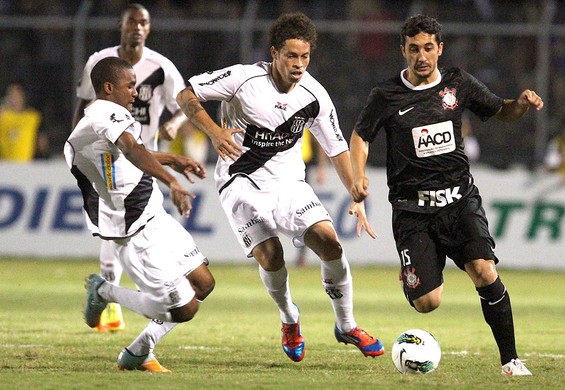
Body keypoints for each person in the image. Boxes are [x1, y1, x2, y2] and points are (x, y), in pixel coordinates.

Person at [176, 12, 384, 362]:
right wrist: (214, 131)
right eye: (291, 55)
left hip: (289, 184)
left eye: (305, 57)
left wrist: (355, 194)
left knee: (330, 243)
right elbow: (186, 95)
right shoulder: (243, 79)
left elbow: (336, 147)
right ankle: (289, 318)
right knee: (272, 256)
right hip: (240, 183)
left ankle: (347, 326)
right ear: (274, 53)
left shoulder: (314, 95)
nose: (299, 64)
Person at [349, 14, 544, 376]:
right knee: (427, 303)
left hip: (459, 201)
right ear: (403, 51)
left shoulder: (458, 83)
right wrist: (358, 177)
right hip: (412, 211)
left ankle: (511, 360)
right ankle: (417, 268)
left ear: (439, 48)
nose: (421, 56)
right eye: (413, 49)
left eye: (427, 48)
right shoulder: (387, 94)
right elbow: (361, 136)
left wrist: (521, 103)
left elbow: (501, 110)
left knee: (484, 272)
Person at [65, 56, 214, 372]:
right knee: (183, 308)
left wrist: (172, 160)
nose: (136, 92)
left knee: (202, 283)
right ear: (109, 88)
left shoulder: (103, 118)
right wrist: (171, 180)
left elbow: (127, 153)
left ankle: (137, 353)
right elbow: (132, 148)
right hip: (133, 228)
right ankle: (103, 290)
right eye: (130, 86)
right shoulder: (105, 115)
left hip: (153, 212)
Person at [72, 3, 192, 332]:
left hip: (146, 156)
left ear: (149, 29)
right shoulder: (100, 62)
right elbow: (84, 105)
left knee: (138, 229)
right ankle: (117, 299)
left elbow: (185, 105)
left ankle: (126, 292)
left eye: (144, 22)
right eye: (132, 22)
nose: (137, 27)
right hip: (117, 158)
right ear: (121, 26)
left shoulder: (162, 68)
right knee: (121, 228)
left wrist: (175, 126)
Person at [296, 128, 329, 267]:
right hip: (279, 168)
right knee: (272, 210)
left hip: (303, 168)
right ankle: (267, 252)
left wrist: (322, 167)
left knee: (304, 214)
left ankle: (302, 256)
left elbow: (319, 139)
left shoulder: (303, 113)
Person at [0, 82, 43, 161]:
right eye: (11, 95)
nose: (14, 98)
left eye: (17, 95)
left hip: (25, 165)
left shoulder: (32, 117)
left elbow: (41, 139)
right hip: (5, 166)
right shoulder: (4, 117)